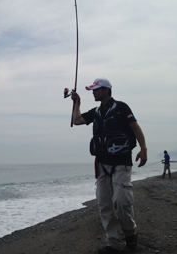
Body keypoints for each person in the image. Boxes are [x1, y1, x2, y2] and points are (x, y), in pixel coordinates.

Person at [71, 78, 147, 254]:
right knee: (104, 204)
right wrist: (77, 103)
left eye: (96, 90)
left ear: (106, 90)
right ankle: (113, 243)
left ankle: (130, 233)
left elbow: (135, 127)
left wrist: (143, 149)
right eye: (93, 90)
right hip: (102, 164)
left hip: (121, 163)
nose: (93, 92)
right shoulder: (96, 112)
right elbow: (77, 120)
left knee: (121, 201)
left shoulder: (121, 107)